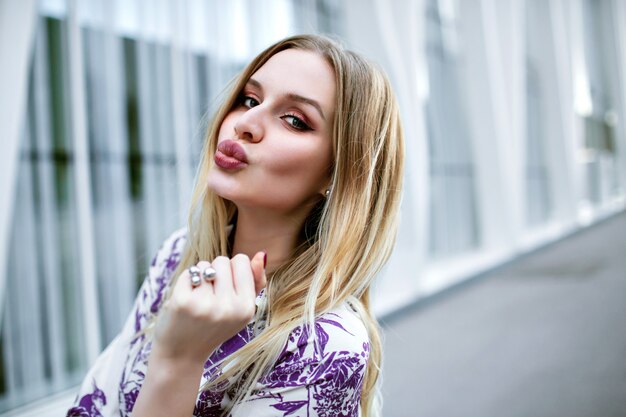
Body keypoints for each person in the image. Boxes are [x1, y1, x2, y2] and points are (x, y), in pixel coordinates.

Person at [67, 33, 404, 417]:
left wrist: (179, 359)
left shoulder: (329, 344)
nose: (245, 122)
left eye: (295, 120)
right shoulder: (179, 256)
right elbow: (93, 403)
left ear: (337, 175)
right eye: (250, 99)